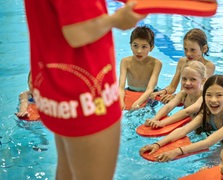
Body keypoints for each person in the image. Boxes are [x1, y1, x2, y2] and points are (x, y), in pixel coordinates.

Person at [24, 1, 145, 180]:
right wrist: (118, 19)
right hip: (87, 94)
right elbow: (77, 32)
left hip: (59, 87)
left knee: (68, 172)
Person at [140, 74, 223, 162]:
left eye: (219, 95)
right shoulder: (206, 113)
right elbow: (183, 130)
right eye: (208, 95)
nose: (213, 100)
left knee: (209, 163)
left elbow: (208, 142)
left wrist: (177, 151)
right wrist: (157, 144)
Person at [151, 28, 215, 104]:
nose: (188, 54)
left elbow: (198, 91)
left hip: (195, 103)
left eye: (192, 50)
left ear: (204, 49)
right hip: (182, 100)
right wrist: (163, 91)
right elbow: (172, 87)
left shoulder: (208, 66)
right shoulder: (182, 62)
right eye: (185, 49)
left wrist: (176, 96)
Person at [144, 61, 206, 128]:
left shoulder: (204, 96)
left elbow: (187, 112)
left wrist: (162, 123)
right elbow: (168, 106)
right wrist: (155, 118)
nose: (187, 83)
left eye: (193, 79)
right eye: (184, 79)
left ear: (203, 80)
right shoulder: (183, 94)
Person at [119, 26, 162, 110]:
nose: (139, 51)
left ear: (151, 48)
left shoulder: (156, 64)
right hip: (130, 91)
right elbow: (120, 87)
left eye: (144, 47)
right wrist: (120, 101)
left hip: (150, 94)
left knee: (144, 113)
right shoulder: (125, 62)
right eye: (135, 45)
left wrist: (137, 103)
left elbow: (150, 89)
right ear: (130, 45)